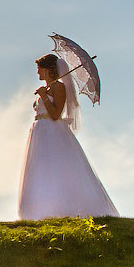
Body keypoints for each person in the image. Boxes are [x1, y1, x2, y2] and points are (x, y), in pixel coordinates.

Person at [18, 53, 118, 220]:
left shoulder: (59, 87)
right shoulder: (47, 88)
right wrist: (43, 93)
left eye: (39, 69)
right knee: (40, 168)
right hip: (39, 132)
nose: (38, 73)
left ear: (48, 70)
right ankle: (40, 209)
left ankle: (64, 207)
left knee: (56, 167)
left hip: (52, 131)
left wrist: (44, 96)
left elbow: (56, 114)